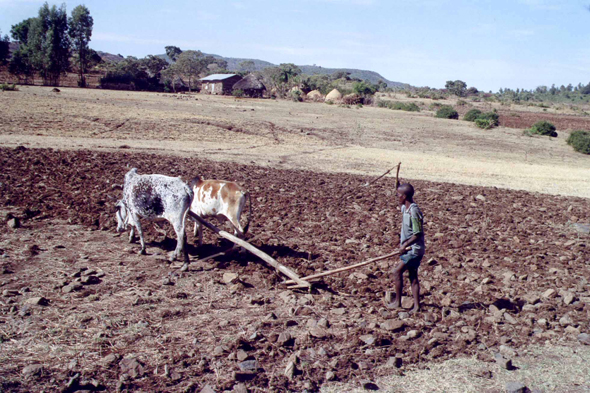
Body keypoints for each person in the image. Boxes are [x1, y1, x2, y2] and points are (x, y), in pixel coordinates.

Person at [385, 183, 425, 312]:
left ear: (404, 196)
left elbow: (418, 233)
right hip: (410, 248)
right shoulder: (405, 208)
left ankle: (398, 302)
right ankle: (417, 306)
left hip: (413, 250)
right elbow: (401, 202)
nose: (397, 197)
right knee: (413, 276)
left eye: (398, 195)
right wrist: (397, 185)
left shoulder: (414, 211)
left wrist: (404, 245)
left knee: (396, 272)